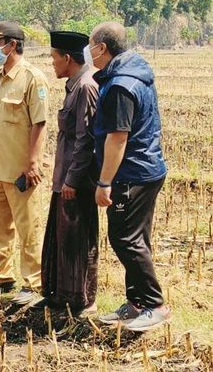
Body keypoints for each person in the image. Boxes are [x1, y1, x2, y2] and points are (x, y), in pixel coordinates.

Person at [89, 22, 170, 331]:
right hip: (146, 168)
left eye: (91, 46)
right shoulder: (134, 73)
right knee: (136, 239)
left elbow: (118, 138)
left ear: (103, 48)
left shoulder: (121, 85)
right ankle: (136, 303)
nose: (89, 52)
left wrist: (104, 182)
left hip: (132, 172)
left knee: (124, 238)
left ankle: (154, 304)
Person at [0, 21, 49, 306]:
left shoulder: (33, 78)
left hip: (20, 170)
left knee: (28, 228)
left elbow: (39, 124)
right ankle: (1, 277)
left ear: (13, 44)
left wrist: (33, 164)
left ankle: (33, 283)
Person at [38, 31, 99, 314]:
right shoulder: (74, 85)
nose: (51, 63)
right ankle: (60, 296)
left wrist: (72, 179)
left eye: (53, 57)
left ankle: (80, 300)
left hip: (76, 180)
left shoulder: (86, 87)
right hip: (63, 178)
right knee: (62, 239)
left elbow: (85, 139)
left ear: (67, 58)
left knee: (76, 241)